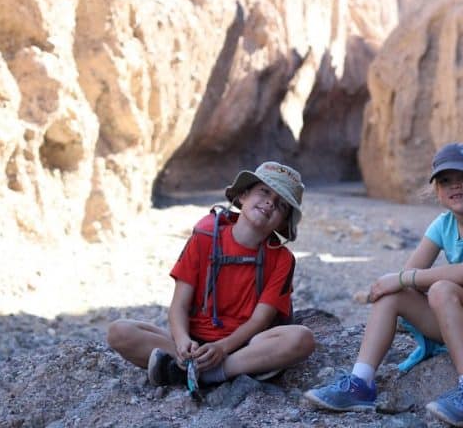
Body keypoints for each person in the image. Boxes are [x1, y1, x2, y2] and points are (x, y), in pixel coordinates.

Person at [304, 142, 463, 426]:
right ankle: (360, 383)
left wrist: (462, 280)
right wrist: (462, 282)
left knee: (438, 287)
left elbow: (460, 273)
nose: (455, 186)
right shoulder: (442, 225)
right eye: (445, 181)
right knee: (393, 295)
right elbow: (412, 281)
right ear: (437, 192)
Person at [107, 161, 315, 388]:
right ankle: (199, 366)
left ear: (283, 222)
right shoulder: (204, 237)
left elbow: (260, 320)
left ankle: (204, 373)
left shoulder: (281, 259)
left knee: (301, 339)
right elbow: (179, 306)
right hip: (195, 344)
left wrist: (222, 348)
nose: (270, 203)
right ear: (243, 196)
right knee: (120, 331)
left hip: (245, 346)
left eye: (281, 205)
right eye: (264, 192)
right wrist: (182, 342)